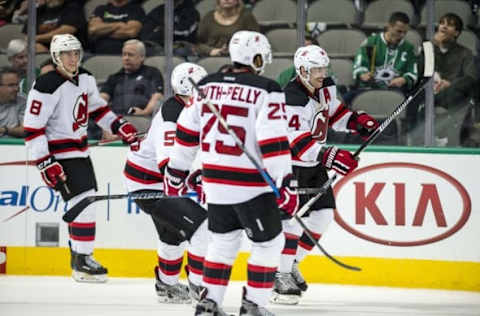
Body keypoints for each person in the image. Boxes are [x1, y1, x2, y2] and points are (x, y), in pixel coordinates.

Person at [165, 30, 299, 316]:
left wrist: (175, 174)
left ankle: (208, 303)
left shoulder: (205, 85)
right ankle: (254, 306)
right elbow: (273, 140)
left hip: (214, 183)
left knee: (223, 243)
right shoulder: (268, 88)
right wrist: (285, 182)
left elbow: (186, 134)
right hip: (252, 185)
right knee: (270, 243)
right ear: (257, 57)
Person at [23, 34, 139, 283]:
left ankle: (79, 260)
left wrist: (118, 125)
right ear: (56, 56)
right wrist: (44, 162)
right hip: (60, 155)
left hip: (80, 151)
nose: (73, 58)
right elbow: (33, 129)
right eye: (67, 54)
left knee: (83, 204)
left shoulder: (85, 77)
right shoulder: (46, 85)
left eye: (76, 53)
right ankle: (83, 259)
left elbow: (97, 108)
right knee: (83, 204)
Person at [271, 45, 378, 305]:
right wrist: (329, 155)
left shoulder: (325, 86)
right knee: (292, 222)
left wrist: (356, 122)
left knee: (323, 214)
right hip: (292, 166)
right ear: (303, 71)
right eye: (316, 69)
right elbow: (296, 140)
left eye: (323, 67)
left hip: (313, 165)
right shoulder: (292, 97)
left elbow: (334, 113)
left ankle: (292, 262)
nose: (322, 73)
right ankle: (279, 274)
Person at [123, 62, 209, 303]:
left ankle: (167, 286)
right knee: (203, 225)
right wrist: (197, 179)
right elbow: (169, 164)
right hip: (148, 184)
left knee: (173, 234)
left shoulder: (193, 108)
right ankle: (200, 284)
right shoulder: (173, 114)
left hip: (157, 182)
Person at [351, 11, 418, 95]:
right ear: (389, 26)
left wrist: (404, 79)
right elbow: (359, 65)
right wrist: (362, 74)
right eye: (399, 31)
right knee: (346, 99)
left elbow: (413, 73)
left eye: (405, 32)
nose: (402, 36)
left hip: (396, 91)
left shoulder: (408, 48)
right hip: (369, 89)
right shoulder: (371, 42)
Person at [100, 39, 164, 117]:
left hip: (143, 119)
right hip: (117, 119)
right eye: (124, 54)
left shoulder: (152, 73)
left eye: (130, 55)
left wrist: (145, 112)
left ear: (142, 57)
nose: (126, 58)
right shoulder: (114, 77)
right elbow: (102, 99)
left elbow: (158, 96)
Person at [195, 0, 260, 57]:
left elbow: (256, 41)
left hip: (239, 58)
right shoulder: (209, 17)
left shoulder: (247, 17)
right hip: (211, 57)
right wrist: (210, 51)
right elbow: (198, 43)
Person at [22, 0, 86, 53]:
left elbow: (67, 31)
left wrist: (37, 38)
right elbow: (27, 35)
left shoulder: (73, 8)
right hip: (42, 50)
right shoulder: (38, 11)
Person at [0, 67, 26, 138]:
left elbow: (25, 130)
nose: (17, 89)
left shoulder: (23, 101)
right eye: (11, 85)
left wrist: (4, 130)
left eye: (17, 84)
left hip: (14, 147)